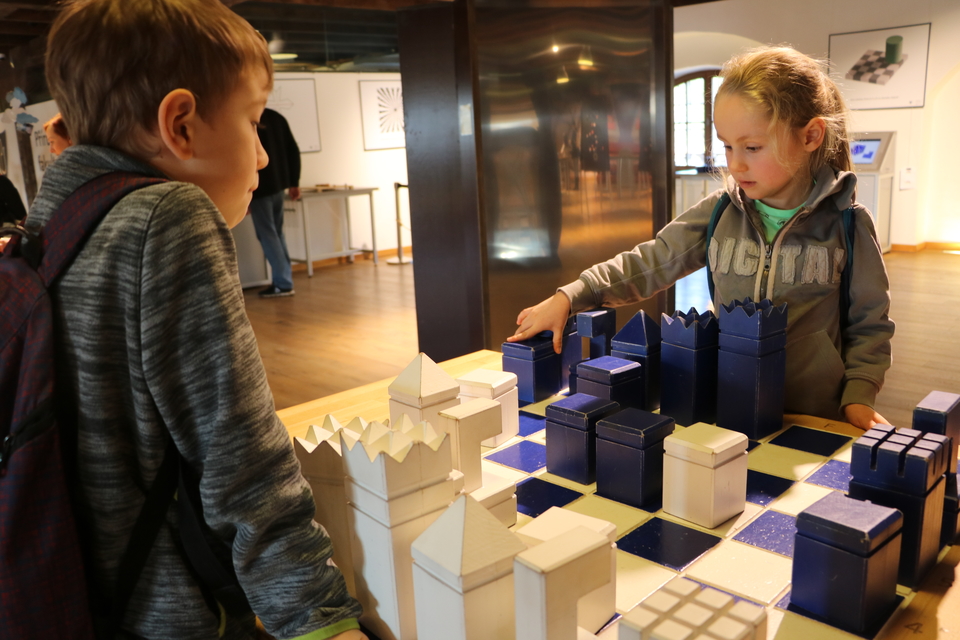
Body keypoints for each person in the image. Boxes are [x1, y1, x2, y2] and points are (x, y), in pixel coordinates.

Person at [35, 1, 365, 638]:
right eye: (254, 121)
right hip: (172, 616)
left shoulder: (55, 223)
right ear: (180, 125)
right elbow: (245, 468)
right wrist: (322, 621)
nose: (263, 157)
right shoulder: (170, 217)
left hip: (75, 598)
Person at [508, 46, 895, 431]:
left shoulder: (849, 224)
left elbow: (870, 323)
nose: (735, 163)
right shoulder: (720, 212)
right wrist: (571, 295)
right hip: (730, 406)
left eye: (752, 147)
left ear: (810, 136)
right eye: (727, 145)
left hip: (812, 417)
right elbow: (650, 261)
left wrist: (859, 396)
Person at [251, 107, 300, 298]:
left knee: (268, 235)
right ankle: (284, 280)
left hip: (261, 188)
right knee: (277, 233)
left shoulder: (249, 119)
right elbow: (293, 150)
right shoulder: (277, 117)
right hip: (279, 186)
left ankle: (283, 283)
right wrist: (294, 182)